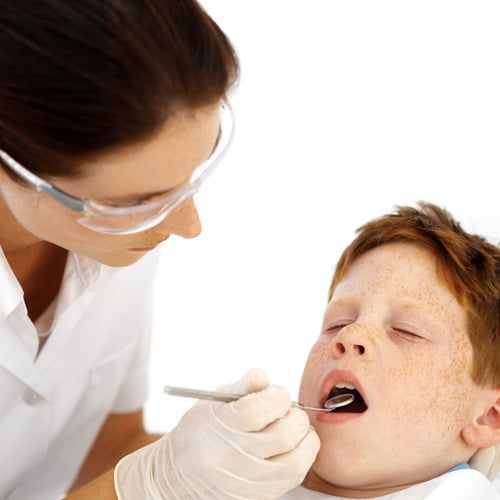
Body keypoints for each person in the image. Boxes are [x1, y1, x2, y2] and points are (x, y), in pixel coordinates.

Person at [0, 2, 319, 499]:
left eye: (189, 180)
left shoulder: (112, 243)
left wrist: (268, 469)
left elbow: (104, 448)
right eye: (137, 203)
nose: (187, 226)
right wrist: (153, 485)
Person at [281, 202, 500, 499]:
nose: (350, 334)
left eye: (405, 330)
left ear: (489, 415)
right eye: (337, 323)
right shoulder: (236, 477)